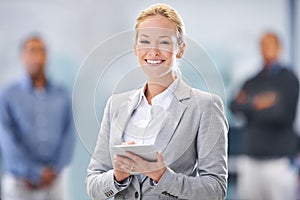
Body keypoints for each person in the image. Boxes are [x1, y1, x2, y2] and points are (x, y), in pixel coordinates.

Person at [86, 4, 228, 200]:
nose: (153, 51)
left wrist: (162, 176)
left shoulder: (205, 106)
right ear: (136, 49)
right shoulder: (115, 105)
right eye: (145, 41)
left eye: (164, 42)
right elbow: (93, 186)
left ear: (180, 50)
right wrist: (117, 177)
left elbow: (216, 189)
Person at [0, 35, 75, 200]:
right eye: (31, 51)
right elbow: (7, 139)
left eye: (40, 51)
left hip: (54, 182)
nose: (36, 57)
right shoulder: (8, 95)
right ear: (22, 56)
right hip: (19, 183)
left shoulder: (62, 95)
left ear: (46, 56)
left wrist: (53, 170)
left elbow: (68, 135)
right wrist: (34, 172)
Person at [230, 32, 300, 200]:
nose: (266, 49)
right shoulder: (252, 81)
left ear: (279, 48)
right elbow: (233, 106)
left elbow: (282, 114)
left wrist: (249, 103)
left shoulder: (289, 80)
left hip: (278, 162)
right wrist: (261, 102)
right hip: (251, 160)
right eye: (263, 45)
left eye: (270, 45)